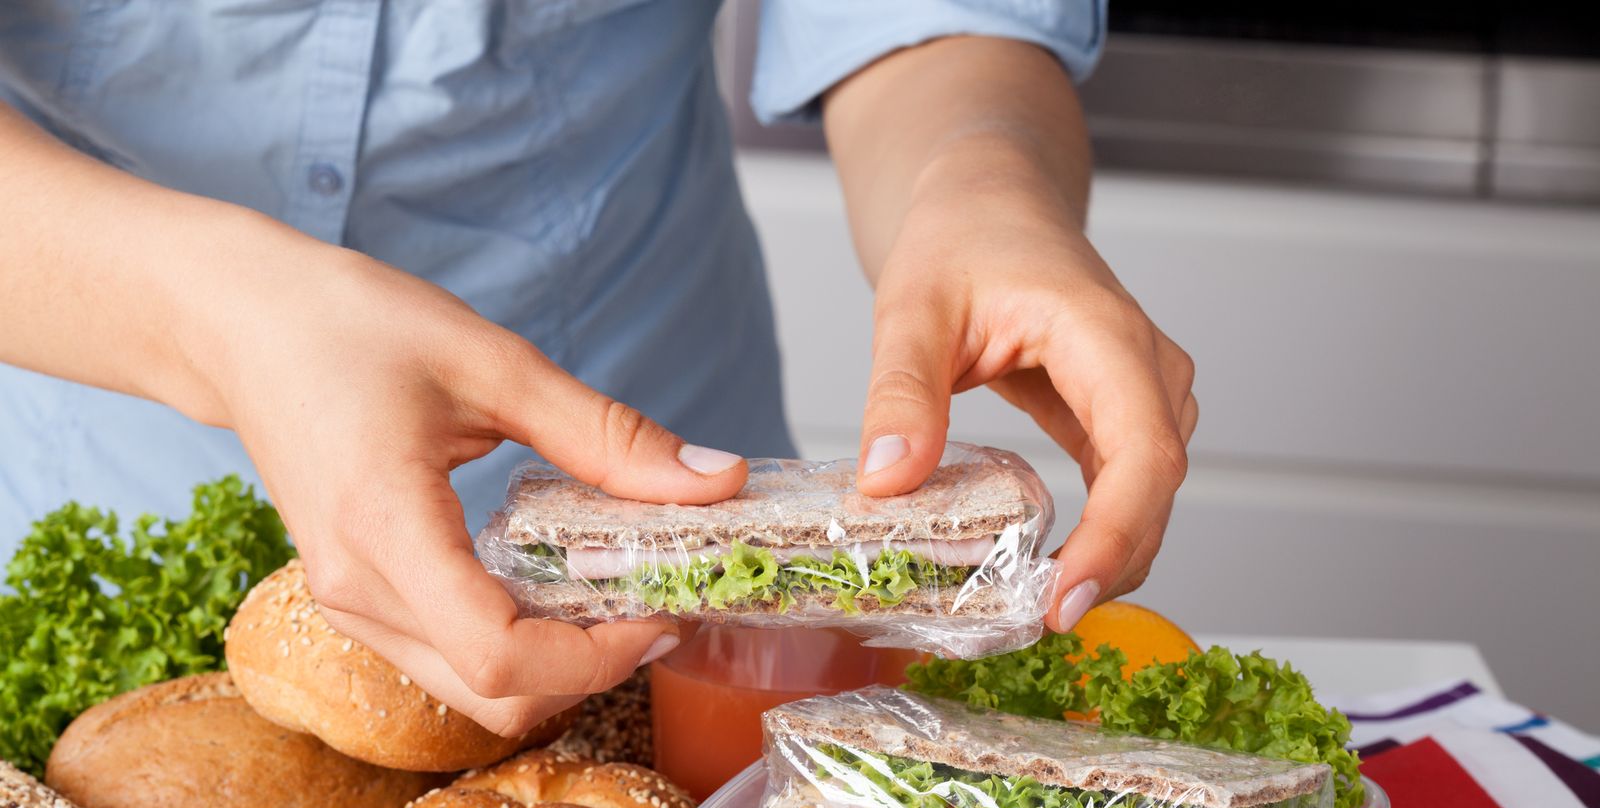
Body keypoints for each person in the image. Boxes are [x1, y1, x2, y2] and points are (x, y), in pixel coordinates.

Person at [0, 2, 1195, 738]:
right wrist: (223, 319)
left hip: (677, 610)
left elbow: (917, 23)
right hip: (99, 540)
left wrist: (976, 181)